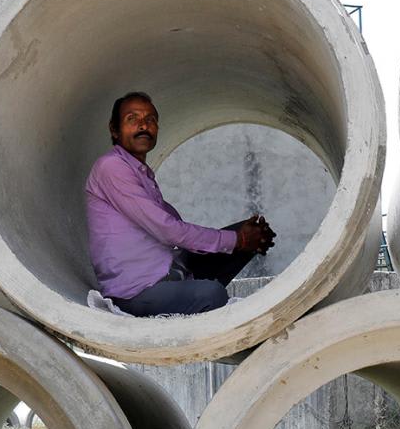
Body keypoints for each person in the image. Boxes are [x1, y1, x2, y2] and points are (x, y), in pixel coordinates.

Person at [85, 91, 277, 317]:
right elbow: (168, 229)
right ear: (114, 129)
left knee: (252, 233)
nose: (143, 126)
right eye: (132, 119)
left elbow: (176, 228)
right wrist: (238, 240)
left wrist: (245, 238)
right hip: (137, 292)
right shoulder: (111, 167)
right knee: (212, 294)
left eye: (151, 120)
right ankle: (197, 300)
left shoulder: (141, 173)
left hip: (169, 269)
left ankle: (190, 295)